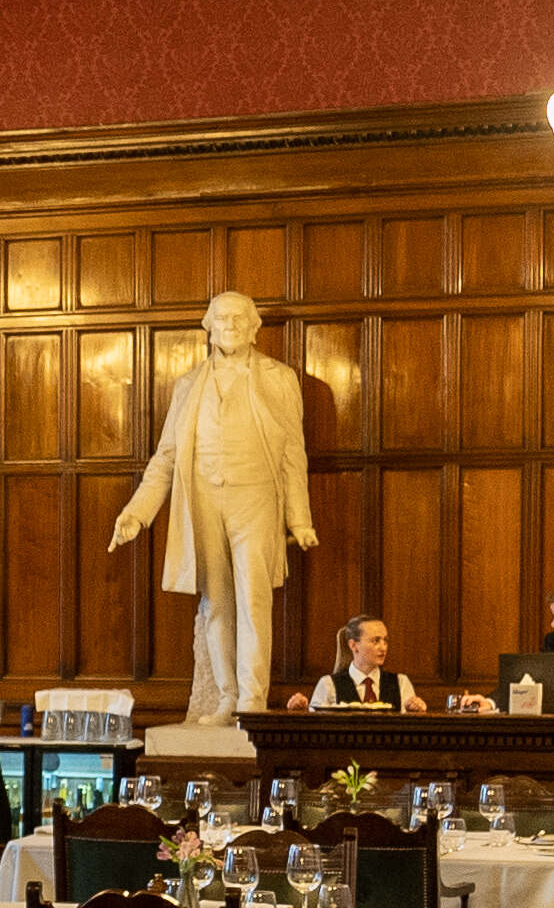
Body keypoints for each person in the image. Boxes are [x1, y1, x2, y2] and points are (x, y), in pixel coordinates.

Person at [111, 290, 318, 726]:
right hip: (203, 498)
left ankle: (252, 701)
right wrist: (137, 513)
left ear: (255, 328)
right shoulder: (189, 384)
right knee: (216, 603)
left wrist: (299, 519)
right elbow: (166, 457)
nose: (231, 326)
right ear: (209, 328)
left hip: (256, 498)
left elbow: (292, 453)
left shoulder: (279, 378)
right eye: (222, 319)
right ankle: (227, 698)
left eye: (240, 318)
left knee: (254, 600)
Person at [295, 614, 428, 712]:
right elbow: (315, 725)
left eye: (385, 640)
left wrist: (417, 710)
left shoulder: (401, 683)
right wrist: (298, 710)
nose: (383, 648)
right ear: (353, 645)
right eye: (376, 641)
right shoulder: (328, 684)